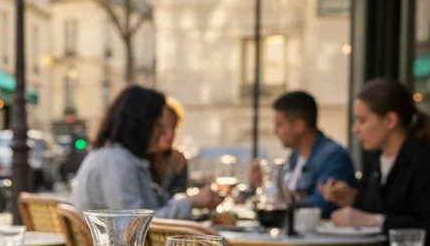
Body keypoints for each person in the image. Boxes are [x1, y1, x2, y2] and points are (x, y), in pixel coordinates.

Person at [320, 78, 430, 246]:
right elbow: (381, 208)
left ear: (390, 120)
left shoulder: (427, 161)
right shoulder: (377, 161)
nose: (355, 129)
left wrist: (373, 221)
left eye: (362, 121)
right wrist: (352, 201)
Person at [69, 85, 221, 219]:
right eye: (159, 124)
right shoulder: (116, 162)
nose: (163, 132)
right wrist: (191, 203)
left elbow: (148, 212)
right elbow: (136, 224)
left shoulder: (115, 157)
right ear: (143, 124)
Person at [249, 91, 355, 217]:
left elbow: (320, 205)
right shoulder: (295, 156)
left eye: (279, 124)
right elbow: (284, 199)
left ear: (299, 126)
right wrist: (262, 186)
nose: (275, 132)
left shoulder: (333, 157)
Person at [150, 97, 190, 197]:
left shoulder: (178, 160)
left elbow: (179, 197)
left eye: (174, 127)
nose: (170, 134)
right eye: (165, 127)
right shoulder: (137, 160)